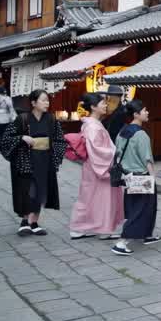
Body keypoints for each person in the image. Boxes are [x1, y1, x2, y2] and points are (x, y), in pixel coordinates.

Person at [0, 90, 67, 236]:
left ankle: (34, 222)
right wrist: (22, 138)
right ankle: (25, 222)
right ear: (33, 103)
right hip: (26, 160)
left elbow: (60, 140)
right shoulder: (22, 119)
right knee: (26, 191)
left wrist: (54, 156)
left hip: (45, 160)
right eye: (43, 100)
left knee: (40, 191)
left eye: (48, 100)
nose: (47, 103)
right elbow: (5, 139)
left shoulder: (51, 119)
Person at [68, 93, 125, 241]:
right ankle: (103, 229)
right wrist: (115, 152)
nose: (106, 105)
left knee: (90, 197)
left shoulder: (92, 124)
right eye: (102, 103)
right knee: (103, 199)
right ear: (93, 107)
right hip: (98, 166)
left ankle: (81, 227)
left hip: (92, 166)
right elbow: (98, 149)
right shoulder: (93, 126)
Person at [111, 100, 160, 256]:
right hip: (142, 176)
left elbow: (117, 155)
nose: (147, 113)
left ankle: (146, 234)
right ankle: (122, 242)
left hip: (128, 175)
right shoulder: (141, 135)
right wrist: (153, 177)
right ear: (136, 114)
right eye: (144, 110)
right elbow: (147, 159)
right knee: (141, 209)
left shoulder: (122, 132)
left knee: (136, 207)